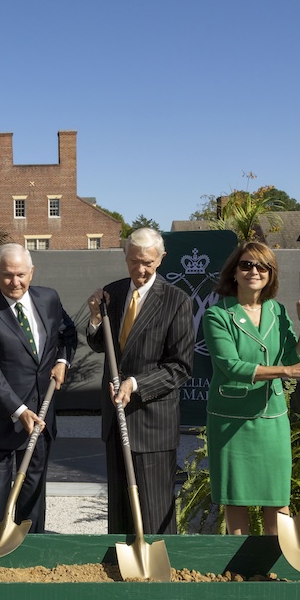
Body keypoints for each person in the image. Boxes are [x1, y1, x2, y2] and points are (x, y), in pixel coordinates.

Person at [203, 241, 300, 536]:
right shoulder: (217, 315)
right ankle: (241, 571)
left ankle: (276, 567)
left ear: (271, 274)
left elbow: (296, 355)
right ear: (234, 273)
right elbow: (231, 366)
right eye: (246, 265)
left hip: (272, 418)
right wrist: (287, 372)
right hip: (231, 418)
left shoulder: (277, 311)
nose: (254, 271)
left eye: (262, 266)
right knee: (235, 499)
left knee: (277, 498)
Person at [86, 228, 194, 535]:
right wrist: (95, 318)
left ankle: (160, 568)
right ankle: (118, 566)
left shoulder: (177, 301)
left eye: (147, 261)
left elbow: (180, 367)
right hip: (115, 417)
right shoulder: (113, 293)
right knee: (120, 506)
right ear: (125, 257)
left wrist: (135, 383)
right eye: (134, 261)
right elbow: (100, 345)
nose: (140, 269)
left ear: (161, 259)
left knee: (155, 507)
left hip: (152, 422)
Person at [0, 243, 77, 533]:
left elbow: (68, 333)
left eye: (21, 274)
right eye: (7, 275)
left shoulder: (49, 299)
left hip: (41, 411)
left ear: (32, 272)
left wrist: (63, 360)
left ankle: (31, 545)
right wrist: (19, 409)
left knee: (33, 486)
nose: (15, 282)